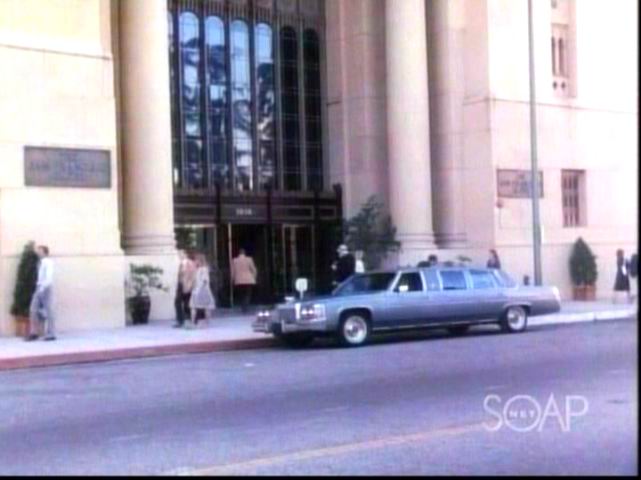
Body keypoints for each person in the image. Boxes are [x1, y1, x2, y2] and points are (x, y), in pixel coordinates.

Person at [25, 245, 55, 341]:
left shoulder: (48, 262)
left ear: (45, 252)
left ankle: (50, 334)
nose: (38, 252)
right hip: (39, 287)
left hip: (45, 287)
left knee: (48, 310)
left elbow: (49, 277)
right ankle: (34, 332)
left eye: (40, 251)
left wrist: (43, 288)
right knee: (33, 309)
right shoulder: (41, 262)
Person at [187, 253, 216, 328]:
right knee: (206, 307)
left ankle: (195, 322)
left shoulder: (202, 269)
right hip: (203, 290)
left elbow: (204, 280)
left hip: (200, 290)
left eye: (196, 260)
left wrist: (197, 289)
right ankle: (206, 323)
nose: (195, 262)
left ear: (199, 260)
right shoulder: (203, 269)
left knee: (194, 306)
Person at [173, 250, 197, 328]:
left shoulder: (190, 263)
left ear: (185, 254)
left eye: (181, 254)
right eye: (178, 254)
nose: (179, 256)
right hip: (180, 285)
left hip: (187, 286)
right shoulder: (181, 263)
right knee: (177, 302)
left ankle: (190, 319)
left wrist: (190, 286)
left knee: (187, 303)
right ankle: (180, 320)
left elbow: (193, 276)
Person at [231, 248, 257, 313]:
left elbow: (233, 271)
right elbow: (254, 270)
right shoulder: (249, 259)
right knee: (248, 294)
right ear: (244, 253)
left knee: (241, 294)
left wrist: (233, 279)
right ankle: (246, 306)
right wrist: (254, 277)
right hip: (248, 280)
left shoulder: (235, 260)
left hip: (239, 280)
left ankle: (243, 306)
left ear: (239, 253)